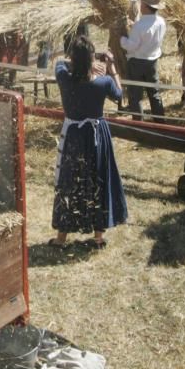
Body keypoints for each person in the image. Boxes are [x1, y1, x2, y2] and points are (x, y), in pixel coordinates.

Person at [50, 36, 126, 249]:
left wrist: (87, 61)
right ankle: (98, 237)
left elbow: (59, 62)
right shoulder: (104, 82)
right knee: (98, 179)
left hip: (74, 134)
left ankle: (61, 238)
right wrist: (111, 68)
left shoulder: (64, 77)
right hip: (97, 135)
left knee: (69, 181)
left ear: (73, 59)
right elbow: (120, 96)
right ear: (92, 59)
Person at [120, 0, 166, 121]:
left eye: (141, 3)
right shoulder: (161, 21)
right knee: (154, 92)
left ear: (145, 6)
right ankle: (160, 121)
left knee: (135, 95)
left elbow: (131, 45)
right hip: (153, 61)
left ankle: (139, 123)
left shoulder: (139, 25)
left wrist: (121, 39)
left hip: (137, 63)